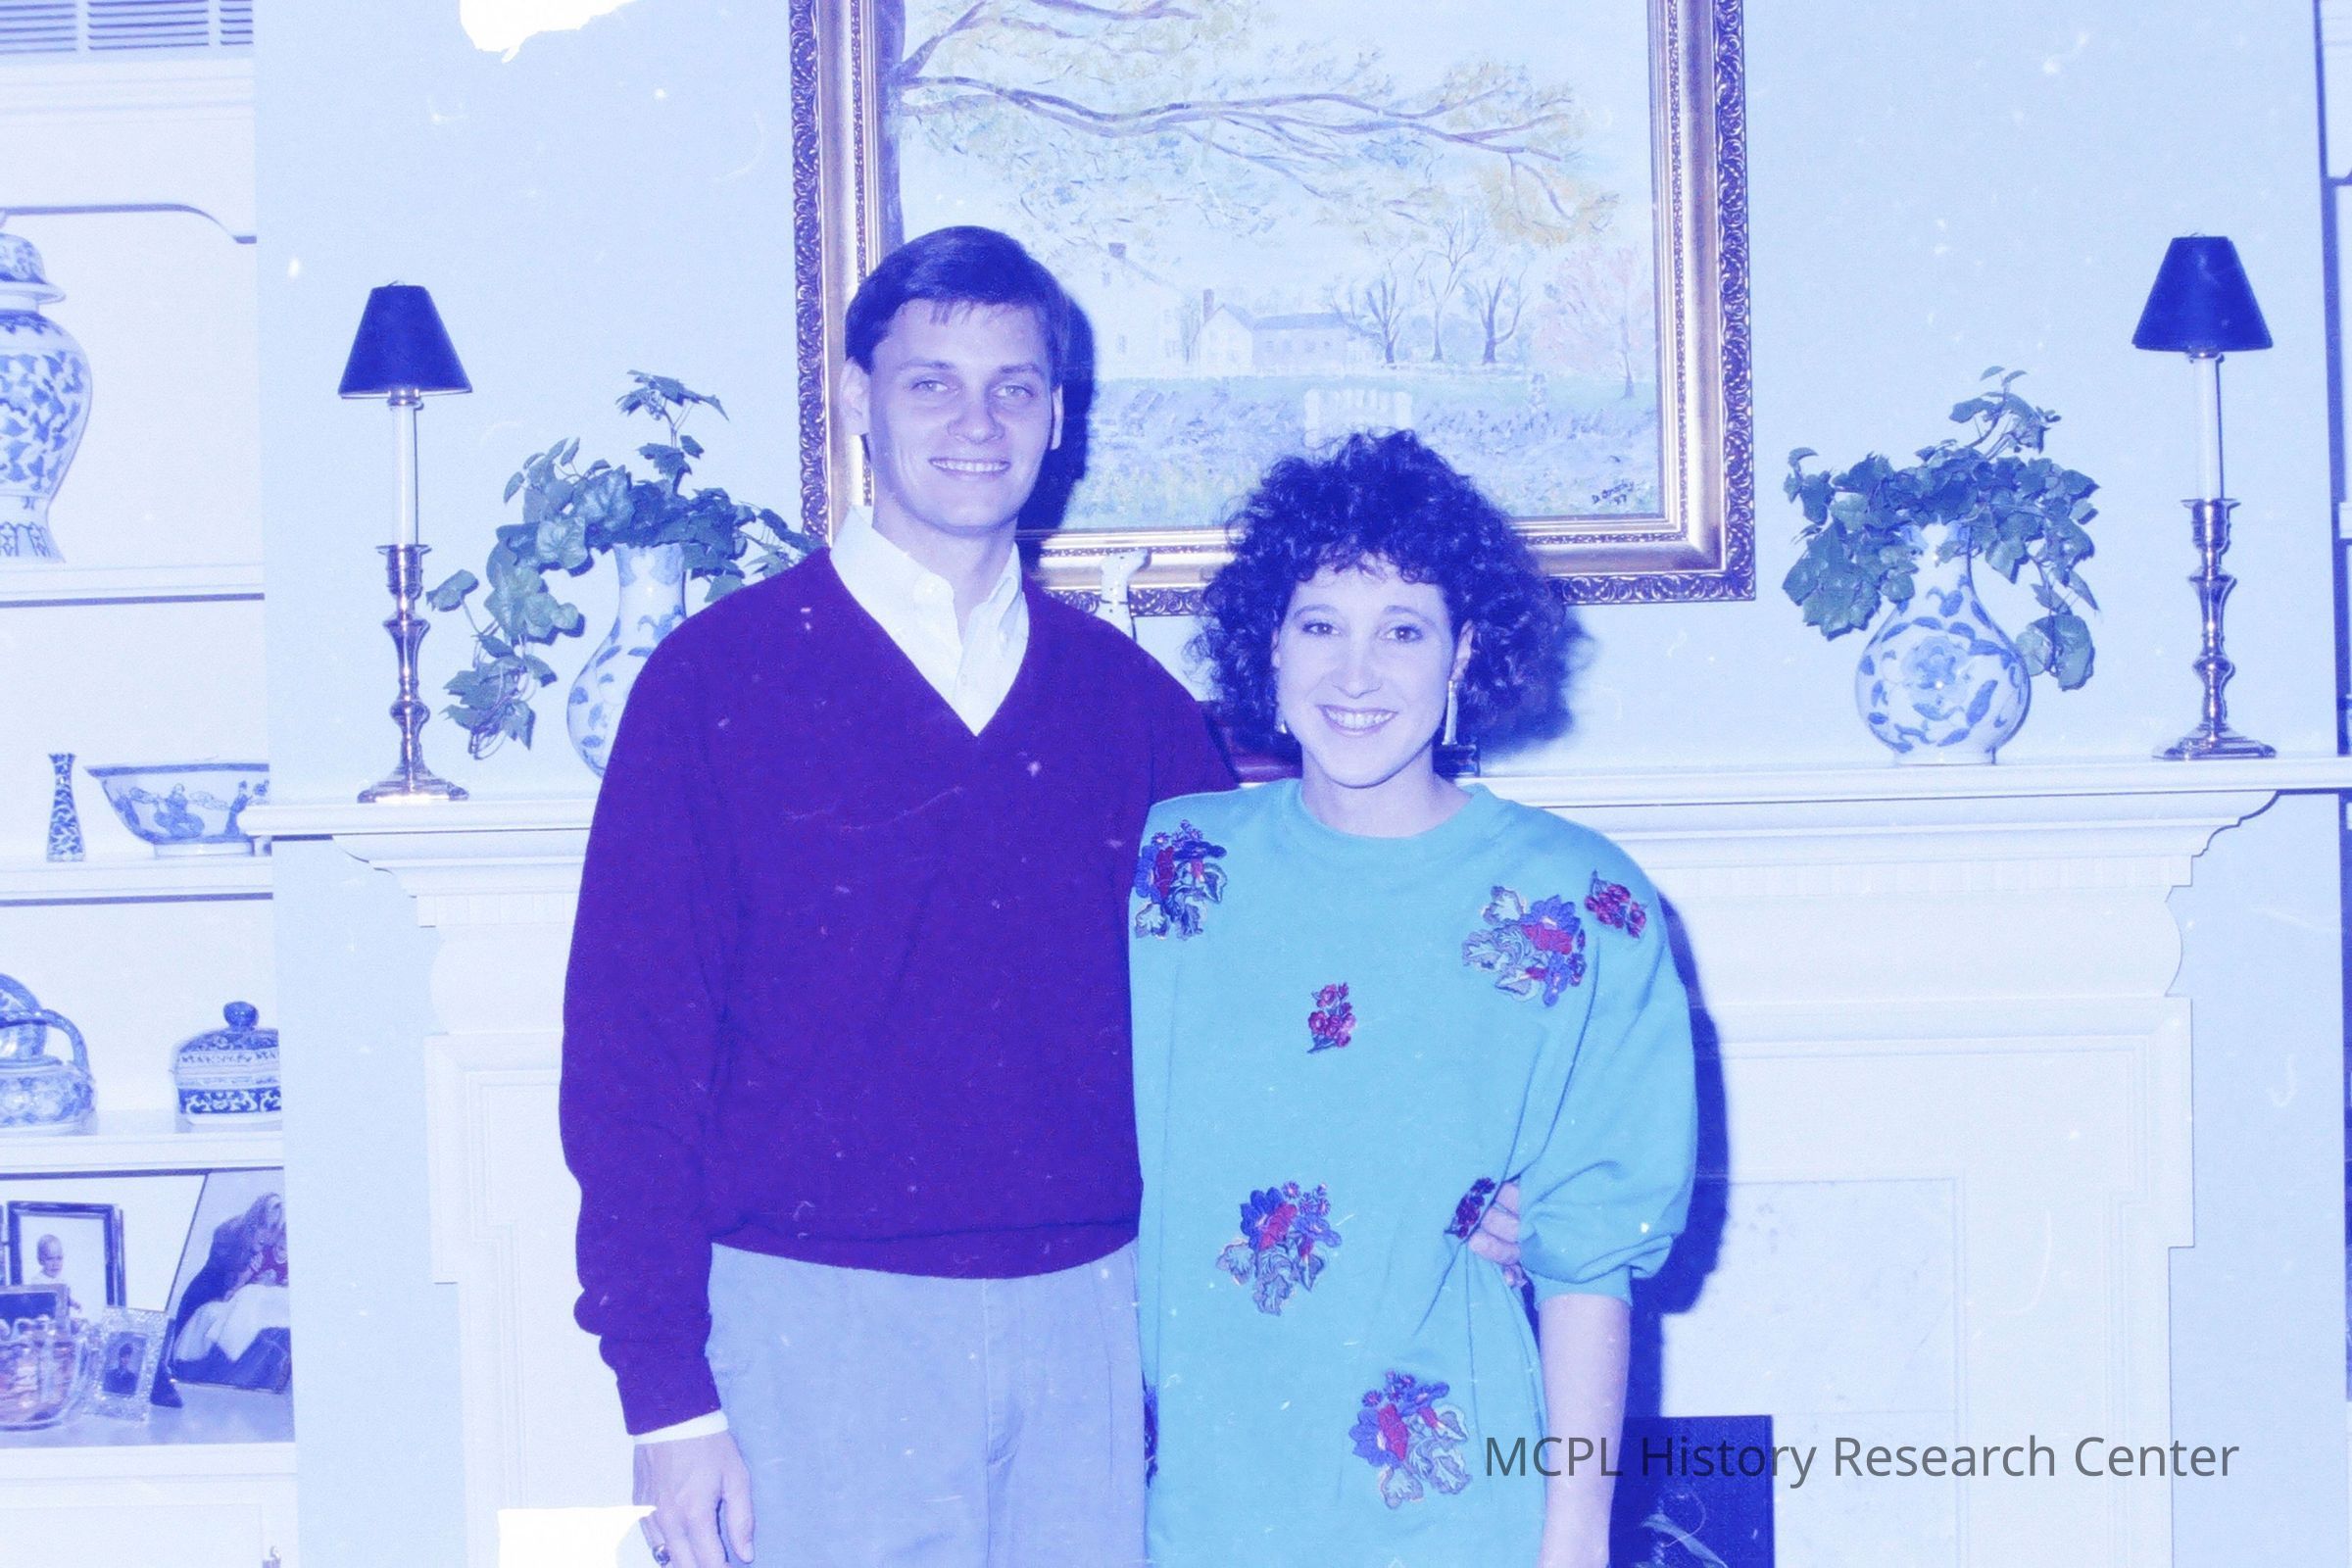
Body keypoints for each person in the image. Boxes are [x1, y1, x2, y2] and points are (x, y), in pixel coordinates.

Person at [560, 225, 1238, 1568]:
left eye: (1014, 386)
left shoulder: (1136, 712)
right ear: (858, 401)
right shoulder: (715, 684)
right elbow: (630, 1060)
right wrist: (666, 1394)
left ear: (1058, 416)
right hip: (809, 1332)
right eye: (933, 383)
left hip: (1089, 1330)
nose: (977, 423)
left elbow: (1243, 1030)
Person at [1130, 430, 1698, 1568]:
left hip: (1457, 1514)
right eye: (1319, 625)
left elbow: (1592, 1259)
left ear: (1462, 652)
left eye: (1402, 630)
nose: (1356, 674)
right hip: (1204, 1507)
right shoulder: (1178, 867)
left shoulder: (1582, 902)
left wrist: (1575, 1539)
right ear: (1270, 644)